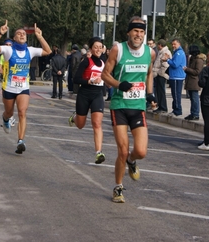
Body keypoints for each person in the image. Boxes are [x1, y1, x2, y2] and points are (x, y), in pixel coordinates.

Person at [101, 16, 156, 203]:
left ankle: (132, 162)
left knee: (140, 151)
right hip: (119, 106)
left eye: (141, 32)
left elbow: (149, 73)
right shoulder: (118, 49)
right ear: (128, 33)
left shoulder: (150, 52)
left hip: (138, 107)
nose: (138, 35)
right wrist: (118, 85)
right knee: (122, 151)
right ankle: (118, 187)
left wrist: (150, 93)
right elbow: (105, 75)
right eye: (135, 31)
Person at [0, 21, 51, 154]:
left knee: (22, 112)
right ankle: (5, 119)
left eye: (24, 33)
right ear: (14, 38)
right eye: (18, 34)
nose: (22, 35)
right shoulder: (8, 49)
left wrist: (39, 36)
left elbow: (47, 51)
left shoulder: (30, 50)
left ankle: (20, 141)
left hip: (23, 88)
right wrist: (0, 33)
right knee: (9, 113)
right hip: (9, 87)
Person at [68, 37, 106, 165]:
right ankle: (74, 118)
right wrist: (89, 81)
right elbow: (76, 79)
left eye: (100, 47)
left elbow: (107, 77)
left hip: (97, 95)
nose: (98, 49)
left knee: (97, 123)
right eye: (96, 47)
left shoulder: (104, 62)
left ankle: (98, 152)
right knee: (80, 125)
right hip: (84, 94)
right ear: (90, 49)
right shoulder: (86, 62)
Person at [162, 38, 186, 117]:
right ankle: (175, 108)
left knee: (176, 94)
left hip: (177, 76)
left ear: (179, 44)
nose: (173, 46)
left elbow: (175, 64)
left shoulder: (179, 53)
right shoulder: (176, 52)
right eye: (172, 44)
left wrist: (168, 60)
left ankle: (177, 110)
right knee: (174, 94)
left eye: (174, 44)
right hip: (174, 76)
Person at [183, 45, 205, 120]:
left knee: (195, 98)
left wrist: (187, 69)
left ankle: (195, 113)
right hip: (190, 80)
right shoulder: (192, 59)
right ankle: (192, 113)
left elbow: (198, 71)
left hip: (195, 81)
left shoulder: (199, 60)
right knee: (191, 98)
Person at [152, 39, 170, 113]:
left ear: (160, 45)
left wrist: (160, 73)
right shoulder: (161, 52)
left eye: (158, 45)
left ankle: (163, 107)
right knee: (158, 92)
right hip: (157, 74)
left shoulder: (165, 52)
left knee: (161, 92)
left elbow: (165, 65)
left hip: (161, 75)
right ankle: (160, 106)